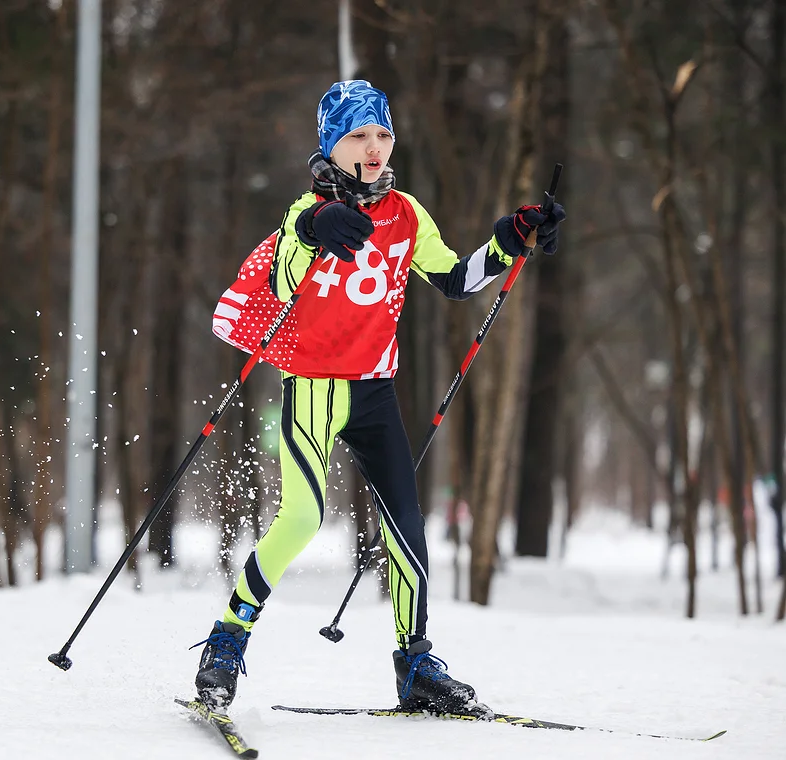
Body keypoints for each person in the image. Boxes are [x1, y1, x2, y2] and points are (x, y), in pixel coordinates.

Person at [194, 79, 566, 713]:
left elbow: (456, 279)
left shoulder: (406, 213)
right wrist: (315, 225)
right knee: (302, 518)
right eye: (358, 136)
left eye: (383, 134)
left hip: (372, 391)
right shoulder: (304, 209)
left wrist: (511, 237)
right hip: (313, 386)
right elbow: (283, 279)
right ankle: (227, 639)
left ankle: (415, 664)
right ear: (331, 146)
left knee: (406, 527)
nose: (373, 148)